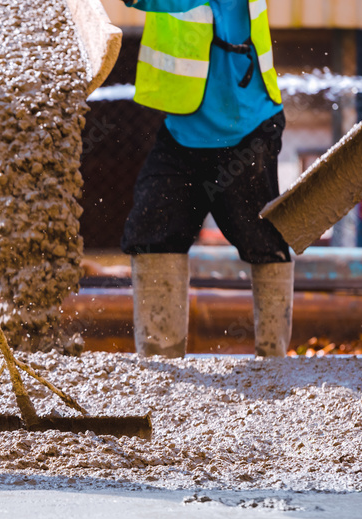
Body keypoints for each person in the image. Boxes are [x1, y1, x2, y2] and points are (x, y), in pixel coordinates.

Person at [119, 0, 292, 357]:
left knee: (262, 239)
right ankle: (160, 364)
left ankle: (273, 361)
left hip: (246, 128)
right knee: (152, 229)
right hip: (183, 129)